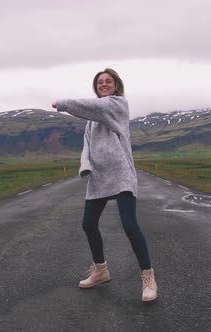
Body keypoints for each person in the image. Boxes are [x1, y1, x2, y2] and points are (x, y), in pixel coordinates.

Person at [52, 68, 157, 302]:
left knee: (130, 226)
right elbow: (87, 145)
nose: (104, 84)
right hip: (99, 177)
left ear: (116, 85)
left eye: (108, 81)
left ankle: (148, 278)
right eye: (100, 82)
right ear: (95, 86)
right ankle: (100, 270)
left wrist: (63, 103)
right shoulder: (92, 120)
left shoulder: (117, 105)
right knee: (88, 224)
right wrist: (85, 165)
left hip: (121, 174)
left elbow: (94, 107)